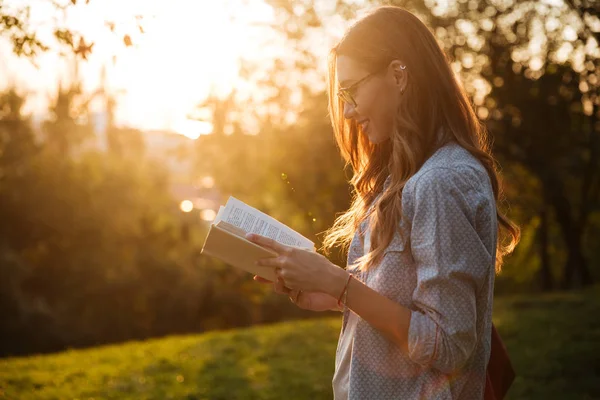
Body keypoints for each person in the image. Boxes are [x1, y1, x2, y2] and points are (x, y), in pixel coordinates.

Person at [246, 5, 520, 400]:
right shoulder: (406, 175)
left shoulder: (439, 182)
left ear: (398, 74)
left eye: (352, 89)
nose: (348, 110)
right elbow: (409, 304)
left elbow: (447, 346)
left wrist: (338, 283)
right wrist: (333, 297)